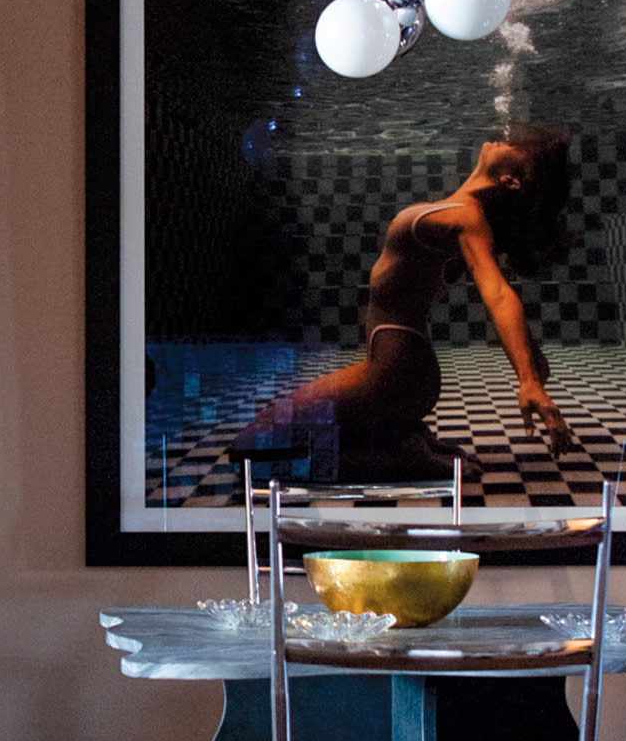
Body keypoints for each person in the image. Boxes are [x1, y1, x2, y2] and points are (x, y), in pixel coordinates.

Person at [230, 129, 579, 482]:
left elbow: (498, 294)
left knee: (250, 451)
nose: (505, 139)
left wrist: (528, 379)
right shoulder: (463, 216)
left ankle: (399, 458)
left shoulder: (467, 219)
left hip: (396, 373)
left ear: (512, 181)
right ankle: (405, 438)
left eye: (518, 147)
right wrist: (531, 354)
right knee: (273, 440)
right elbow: (489, 294)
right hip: (400, 370)